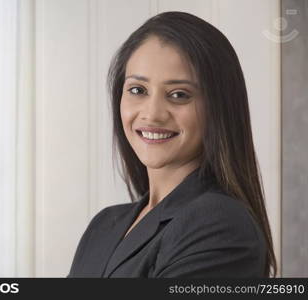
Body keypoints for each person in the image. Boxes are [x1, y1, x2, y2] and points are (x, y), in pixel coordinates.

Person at [67, 11, 277, 278]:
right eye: (137, 90)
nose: (152, 113)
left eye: (179, 95)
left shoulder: (221, 224)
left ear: (218, 108)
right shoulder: (104, 226)